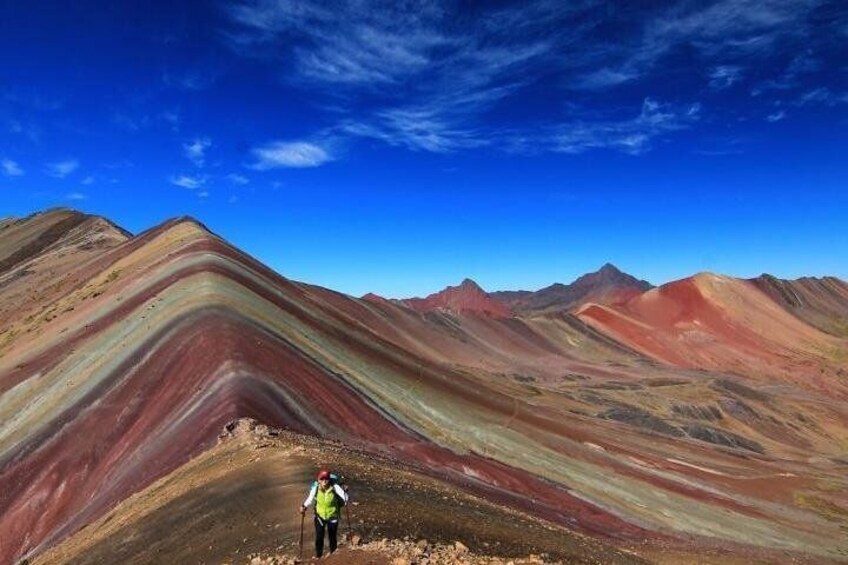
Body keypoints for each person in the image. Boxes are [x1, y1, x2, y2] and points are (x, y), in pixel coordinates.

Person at [300, 469, 349, 558]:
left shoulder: (335, 487)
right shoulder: (315, 488)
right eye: (322, 479)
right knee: (319, 537)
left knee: (332, 537)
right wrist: (304, 506)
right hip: (320, 516)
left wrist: (345, 493)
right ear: (318, 480)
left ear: (329, 479)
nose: (324, 480)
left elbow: (346, 498)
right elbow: (310, 499)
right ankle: (319, 557)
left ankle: (333, 556)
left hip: (333, 516)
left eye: (326, 478)